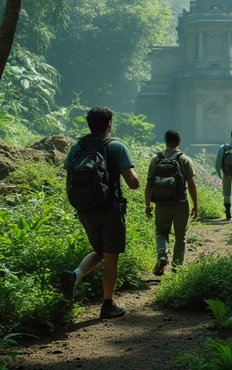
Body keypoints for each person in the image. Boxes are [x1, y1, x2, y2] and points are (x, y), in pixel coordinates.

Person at [60, 107, 140, 319]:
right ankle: (107, 304)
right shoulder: (116, 146)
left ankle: (75, 276)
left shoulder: (77, 146)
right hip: (110, 209)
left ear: (89, 124)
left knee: (100, 251)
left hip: (85, 209)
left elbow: (69, 180)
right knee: (111, 256)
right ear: (109, 124)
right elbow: (133, 183)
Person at [145, 130, 198, 275]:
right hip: (181, 203)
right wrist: (195, 204)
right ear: (179, 142)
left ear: (165, 141)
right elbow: (191, 183)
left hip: (161, 204)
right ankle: (177, 268)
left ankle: (162, 255)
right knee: (181, 235)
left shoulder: (156, 159)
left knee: (161, 231)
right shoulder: (185, 159)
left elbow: (149, 184)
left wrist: (148, 204)